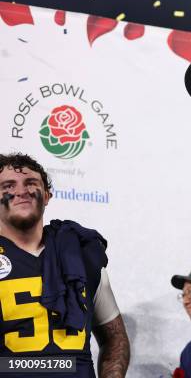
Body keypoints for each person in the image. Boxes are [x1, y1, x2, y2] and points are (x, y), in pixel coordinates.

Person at [0, 153, 130, 378]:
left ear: (47, 196)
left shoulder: (79, 253)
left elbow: (114, 337)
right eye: (8, 185)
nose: (21, 191)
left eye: (31, 183)